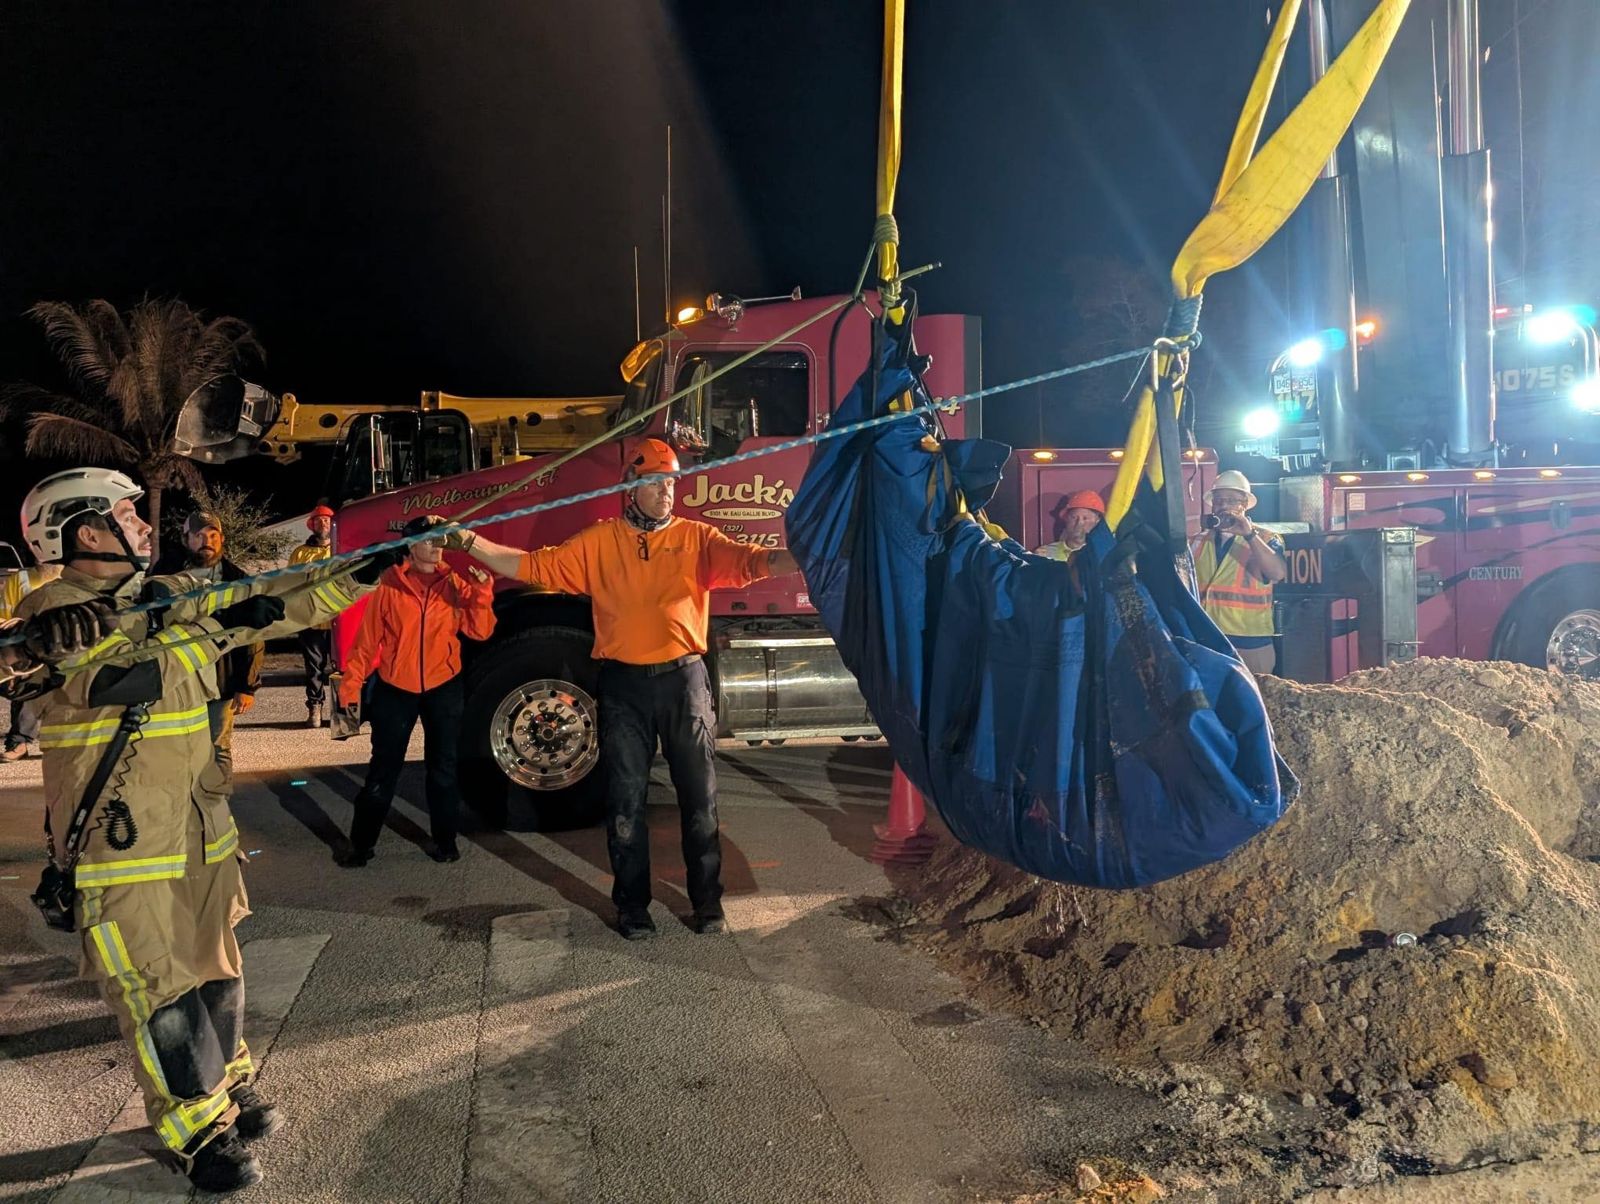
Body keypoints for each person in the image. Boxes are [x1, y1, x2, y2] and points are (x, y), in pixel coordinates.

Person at [1, 467, 391, 1192]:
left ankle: (226, 1087)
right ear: (88, 531)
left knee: (217, 972)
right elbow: (118, 678)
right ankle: (192, 1131)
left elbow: (274, 605)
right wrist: (219, 626)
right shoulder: (55, 616)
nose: (145, 523)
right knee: (158, 991)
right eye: (126, 512)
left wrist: (363, 572)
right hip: (122, 846)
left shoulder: (168, 593)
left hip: (199, 828)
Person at [454, 438, 799, 939]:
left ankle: (707, 905)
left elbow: (754, 562)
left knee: (700, 801)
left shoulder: (697, 538)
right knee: (624, 805)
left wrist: (811, 556)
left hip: (683, 682)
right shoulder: (600, 541)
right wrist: (470, 543)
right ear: (631, 489)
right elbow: (532, 567)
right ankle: (632, 908)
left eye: (672, 481)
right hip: (623, 687)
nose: (668, 491)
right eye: (657, 482)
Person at [334, 514, 496, 867]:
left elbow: (480, 632)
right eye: (428, 541)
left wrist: (482, 594)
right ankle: (361, 845)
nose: (436, 547)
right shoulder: (388, 585)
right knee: (383, 770)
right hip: (396, 689)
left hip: (444, 687)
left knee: (443, 769)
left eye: (440, 541)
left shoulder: (455, 583)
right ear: (410, 545)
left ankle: (445, 841)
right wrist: (350, 688)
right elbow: (365, 644)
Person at [152, 512, 263, 784]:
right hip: (175, 679)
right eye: (199, 536)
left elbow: (252, 635)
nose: (207, 541)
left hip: (220, 681)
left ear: (222, 539)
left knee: (218, 747)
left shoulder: (237, 578)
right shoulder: (162, 575)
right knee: (173, 749)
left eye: (213, 536)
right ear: (185, 539)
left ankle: (217, 804)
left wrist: (246, 685)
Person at [1189, 469, 1287, 676]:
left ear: (1244, 504)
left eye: (1232, 501)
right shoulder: (1198, 541)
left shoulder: (1266, 538)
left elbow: (1277, 573)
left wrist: (1249, 535)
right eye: (1219, 500)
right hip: (1208, 638)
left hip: (1250, 641)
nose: (1224, 506)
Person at [2, 556, 61, 760]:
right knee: (27, 690)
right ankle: (19, 742)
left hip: (69, 647)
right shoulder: (21, 579)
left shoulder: (76, 576)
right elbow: (6, 617)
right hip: (32, 649)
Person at [288, 504, 336, 728]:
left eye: (326, 520)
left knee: (342, 668)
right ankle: (315, 708)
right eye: (319, 520)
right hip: (311, 619)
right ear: (312, 525)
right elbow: (291, 584)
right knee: (314, 668)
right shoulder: (300, 553)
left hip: (339, 619)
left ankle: (342, 712)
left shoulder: (341, 548)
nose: (323, 523)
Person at [1033, 489, 1105, 561]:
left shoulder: (1104, 556)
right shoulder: (1046, 554)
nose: (1079, 523)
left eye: (1085, 518)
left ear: (1097, 521)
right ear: (1066, 518)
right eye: (1074, 517)